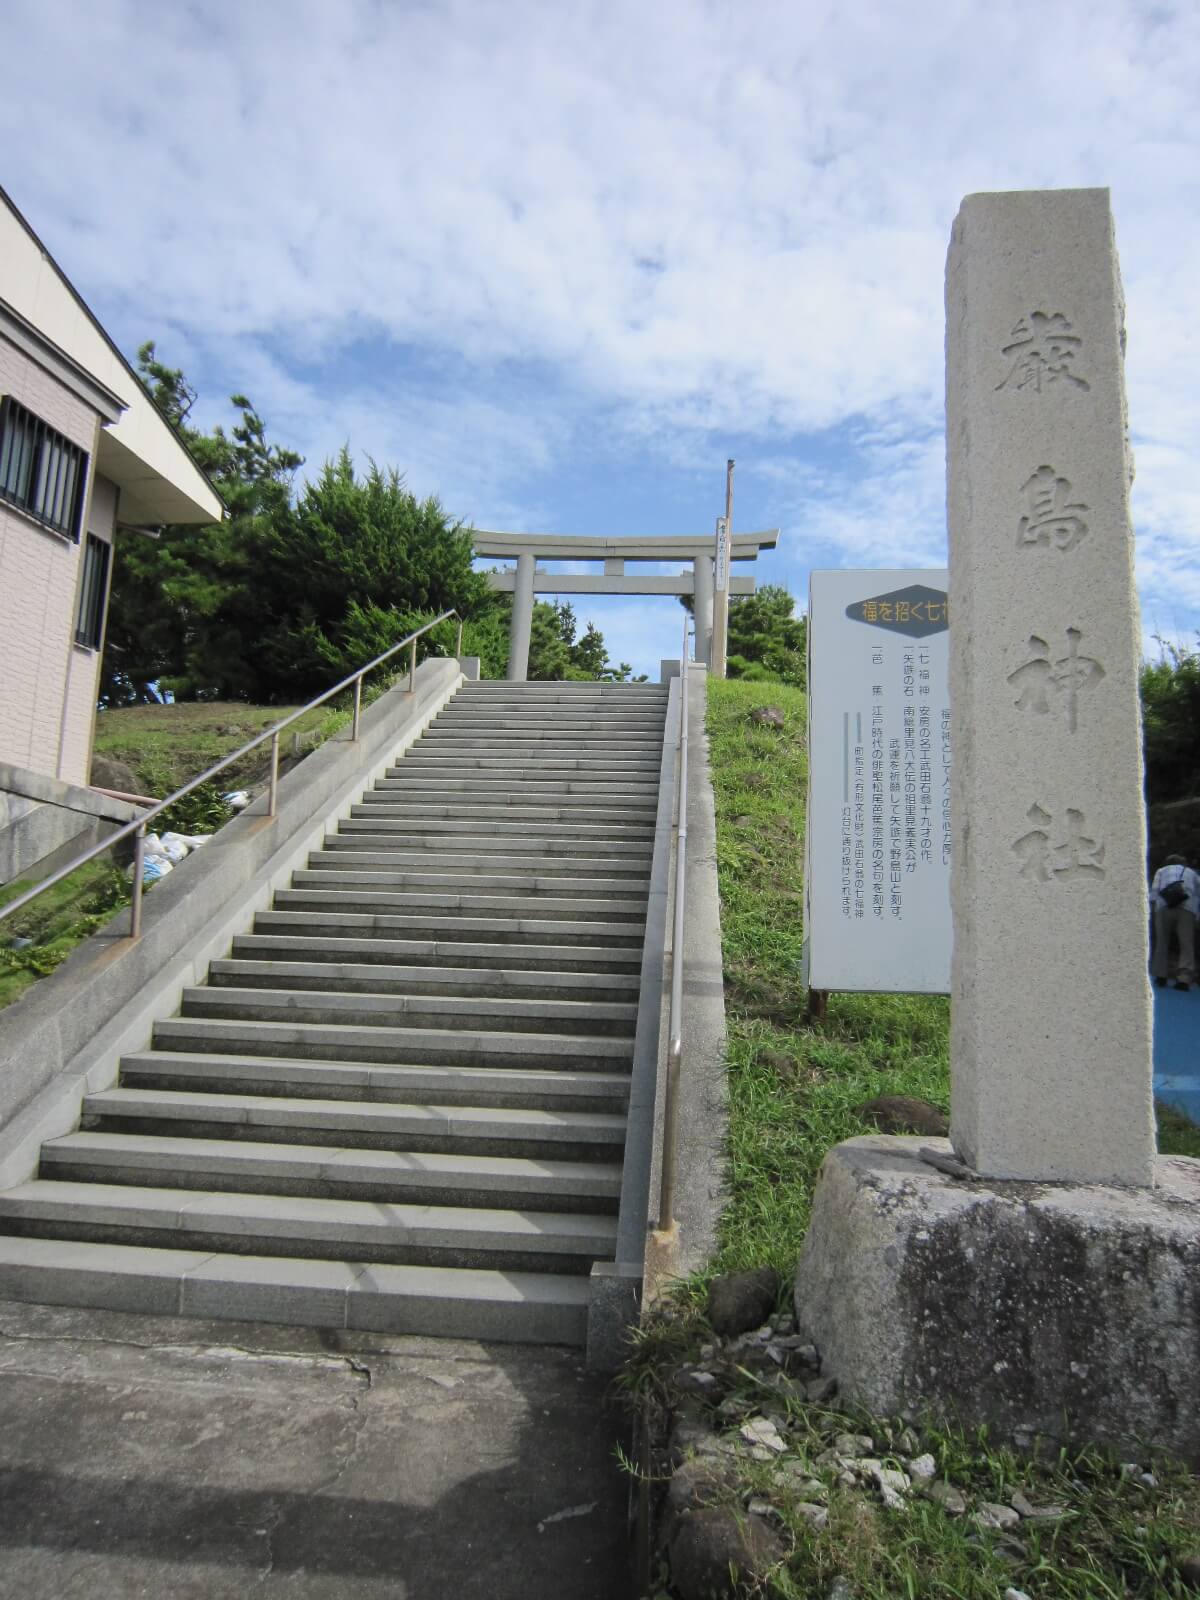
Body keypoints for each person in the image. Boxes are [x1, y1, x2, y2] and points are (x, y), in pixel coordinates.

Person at [1149, 853, 1200, 990]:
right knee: (1186, 944)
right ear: (1184, 863)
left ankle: (1160, 977)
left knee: (1162, 942)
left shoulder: (1161, 871)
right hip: (1187, 909)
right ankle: (1184, 980)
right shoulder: (1192, 873)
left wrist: (1154, 911)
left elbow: (1154, 892)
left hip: (1164, 907)